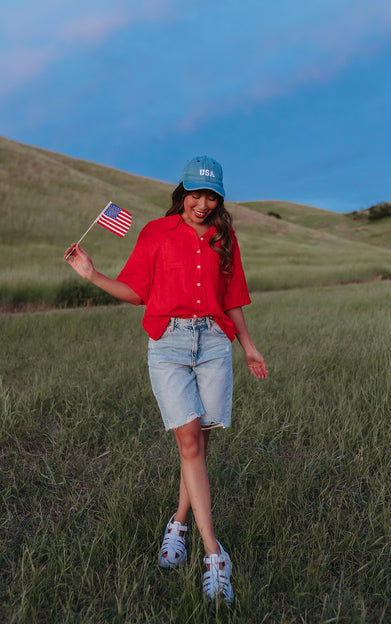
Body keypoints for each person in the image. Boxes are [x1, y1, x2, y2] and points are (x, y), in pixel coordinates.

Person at [64, 155, 267, 604]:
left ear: (219, 199)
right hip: (169, 345)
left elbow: (232, 296)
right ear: (182, 192)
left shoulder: (223, 237)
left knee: (197, 443)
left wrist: (248, 346)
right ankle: (214, 553)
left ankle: (178, 520)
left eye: (211, 196)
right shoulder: (156, 232)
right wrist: (92, 274)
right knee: (189, 441)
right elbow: (136, 292)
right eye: (195, 194)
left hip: (214, 344)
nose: (202, 203)